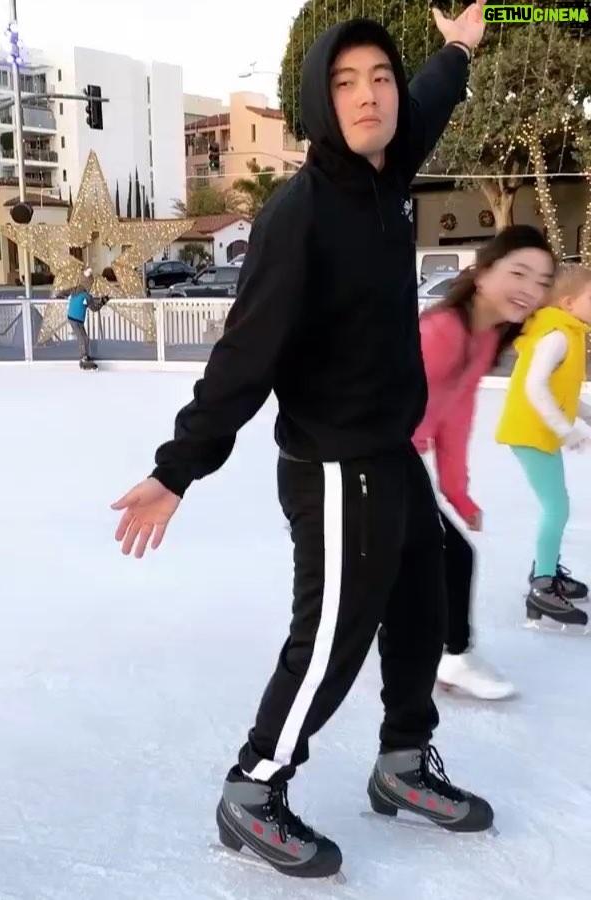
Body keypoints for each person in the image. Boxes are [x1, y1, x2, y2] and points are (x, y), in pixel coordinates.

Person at [113, 4, 493, 881]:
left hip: (386, 449)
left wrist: (458, 49)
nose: (369, 96)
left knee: (425, 592)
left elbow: (430, 100)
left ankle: (403, 762)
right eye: (345, 82)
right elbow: (246, 352)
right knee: (331, 636)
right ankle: (254, 787)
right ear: (322, 103)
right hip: (333, 465)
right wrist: (180, 468)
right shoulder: (302, 214)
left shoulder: (385, 175)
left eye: (381, 78)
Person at [413, 226, 556, 700]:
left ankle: (438, 651)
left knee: (440, 556)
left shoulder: (481, 340)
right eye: (519, 273)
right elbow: (372, 400)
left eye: (542, 280)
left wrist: (458, 492)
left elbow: (454, 418)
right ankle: (450, 655)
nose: (531, 290)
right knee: (448, 556)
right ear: (481, 275)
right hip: (368, 462)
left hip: (394, 464)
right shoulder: (440, 333)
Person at [496, 264, 591, 631]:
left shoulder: (568, 330)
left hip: (539, 432)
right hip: (530, 432)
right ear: (568, 303)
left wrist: (583, 418)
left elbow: (560, 392)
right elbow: (535, 387)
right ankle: (542, 585)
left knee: (558, 505)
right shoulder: (556, 335)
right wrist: (567, 431)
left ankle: (547, 569)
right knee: (557, 507)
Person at [67, 267, 99, 370]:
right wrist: (102, 302)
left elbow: (65, 293)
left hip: (74, 318)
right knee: (83, 338)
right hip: (75, 319)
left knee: (84, 338)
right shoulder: (86, 295)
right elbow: (94, 308)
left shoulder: (75, 290)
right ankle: (83, 358)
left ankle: (85, 356)